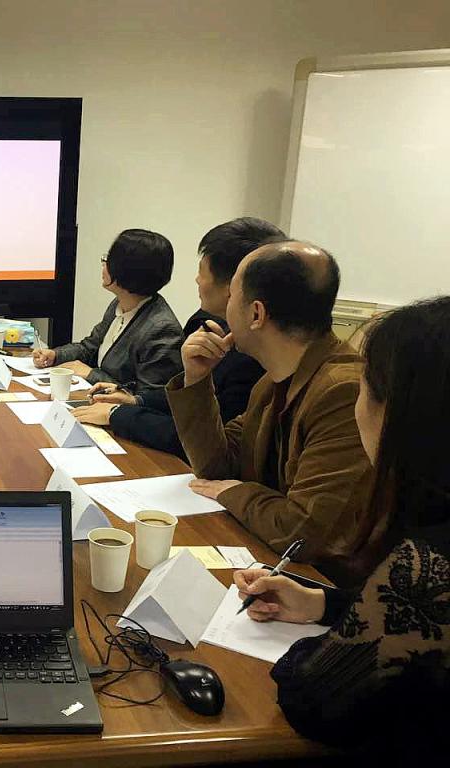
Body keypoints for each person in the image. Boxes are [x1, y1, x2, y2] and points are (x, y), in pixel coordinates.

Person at [232, 296, 450, 754]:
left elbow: (315, 699)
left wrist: (321, 644)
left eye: (366, 383)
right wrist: (322, 604)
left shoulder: (430, 562)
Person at [165, 241, 372, 574]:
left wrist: (237, 493)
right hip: (268, 560)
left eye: (232, 295)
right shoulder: (273, 381)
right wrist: (197, 379)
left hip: (318, 583)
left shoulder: (343, 391)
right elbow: (216, 468)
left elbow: (302, 532)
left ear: (256, 314)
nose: (225, 306)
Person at [72, 217, 277, 457]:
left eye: (202, 272)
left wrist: (118, 414)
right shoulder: (204, 323)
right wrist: (135, 401)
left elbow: (203, 437)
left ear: (233, 289)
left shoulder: (253, 358)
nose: (197, 280)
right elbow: (182, 401)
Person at [32, 229, 182, 398]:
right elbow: (90, 347)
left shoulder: (162, 330)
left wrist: (91, 374)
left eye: (109, 260)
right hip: (97, 400)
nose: (104, 264)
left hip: (117, 411)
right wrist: (55, 355)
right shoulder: (120, 303)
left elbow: (147, 399)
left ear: (126, 271)